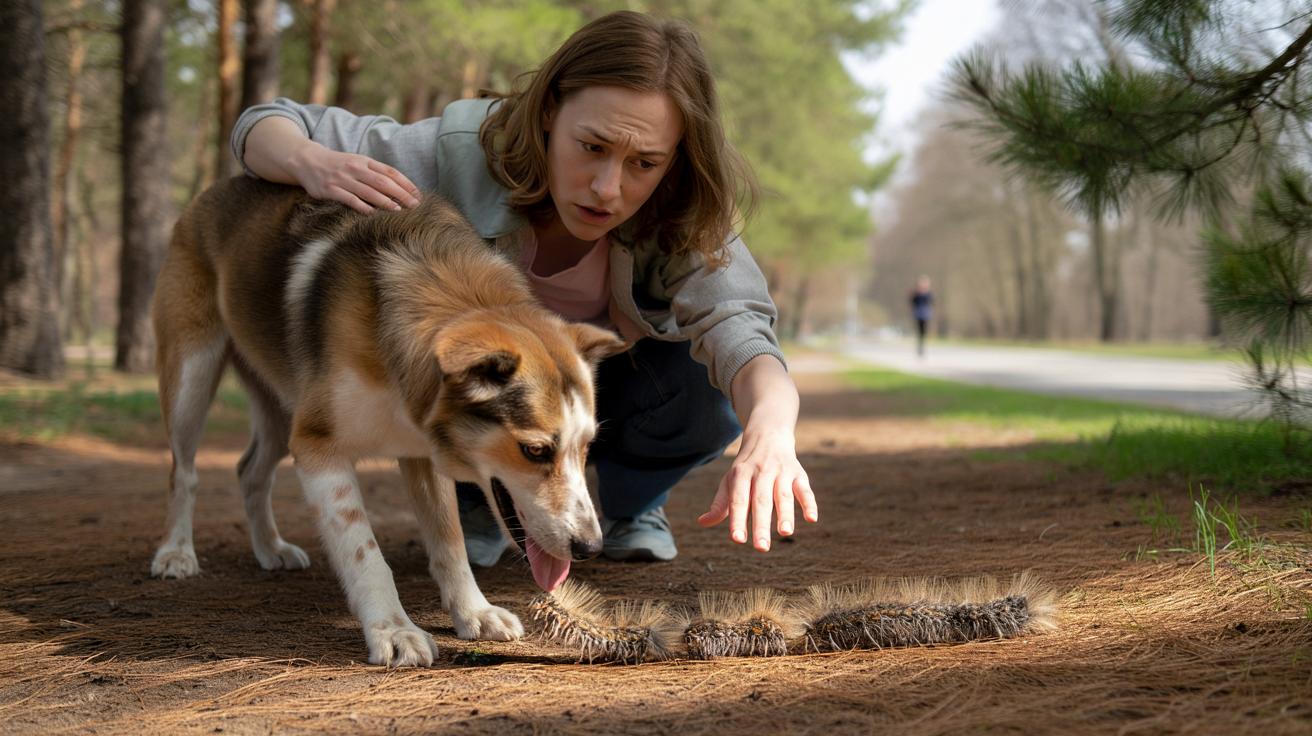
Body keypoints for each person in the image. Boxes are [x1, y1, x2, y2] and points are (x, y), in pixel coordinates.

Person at [229, 10, 816, 566]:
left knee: (709, 401)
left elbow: (746, 338)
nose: (607, 188)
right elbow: (263, 124)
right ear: (547, 114)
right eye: (592, 147)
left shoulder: (687, 213)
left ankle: (633, 506)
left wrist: (771, 430)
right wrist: (312, 162)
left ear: (675, 161)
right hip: (493, 409)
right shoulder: (457, 153)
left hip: (610, 395)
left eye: (644, 163)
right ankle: (481, 504)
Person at [909, 275, 933, 357]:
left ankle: (922, 345)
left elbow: (931, 301)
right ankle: (920, 346)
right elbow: (912, 302)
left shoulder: (928, 294)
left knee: (924, 331)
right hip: (918, 314)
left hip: (925, 315)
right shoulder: (916, 294)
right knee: (919, 331)